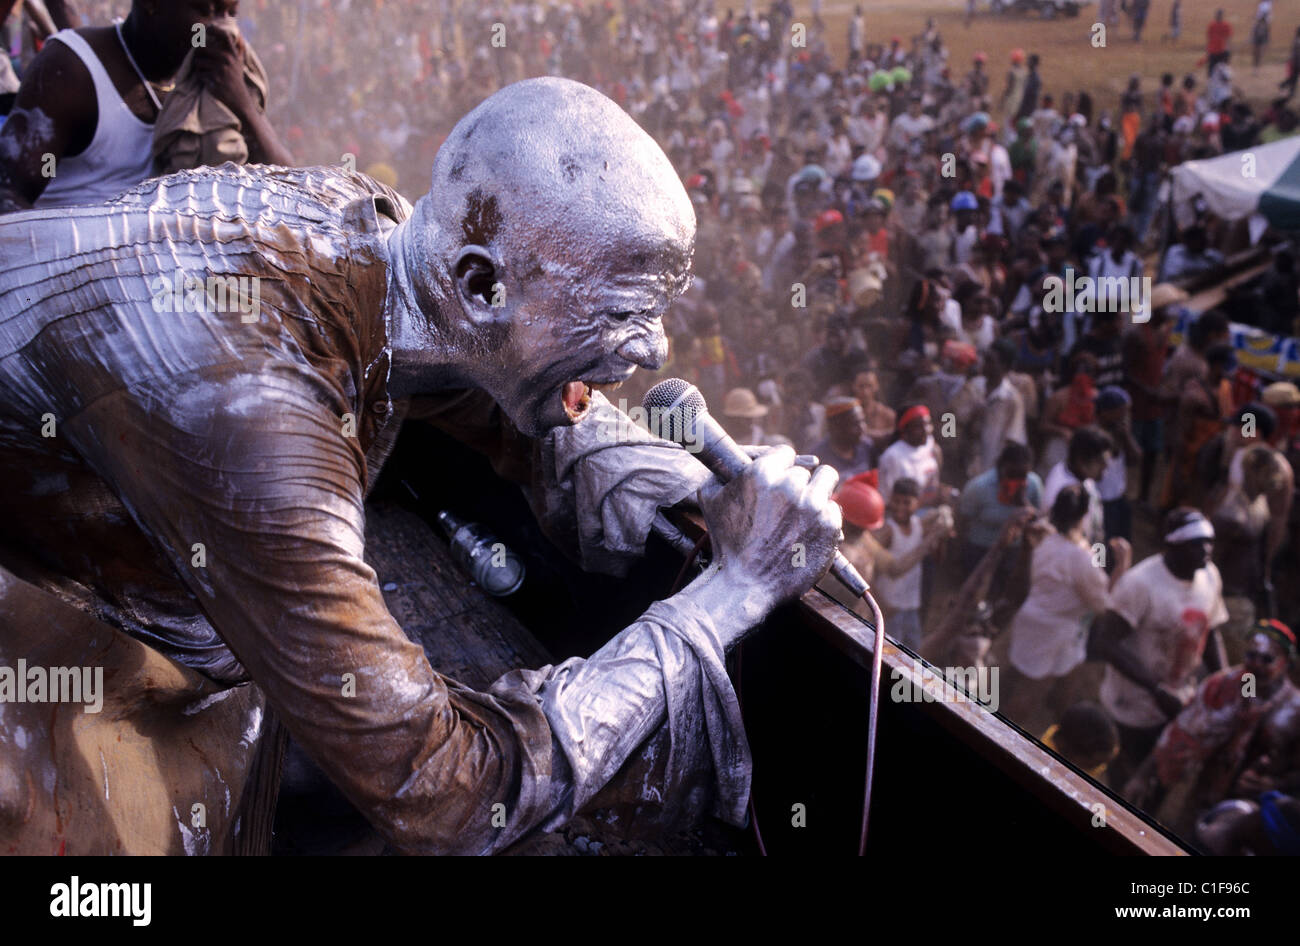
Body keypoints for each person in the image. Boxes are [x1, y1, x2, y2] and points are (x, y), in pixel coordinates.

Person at [0, 78, 848, 854]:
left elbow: (482, 398)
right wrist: (733, 590)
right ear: (481, 289)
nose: (655, 348)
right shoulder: (254, 410)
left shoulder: (381, 240)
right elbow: (448, 793)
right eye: (622, 313)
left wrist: (693, 490)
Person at [0, 0, 292, 212]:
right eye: (205, 10)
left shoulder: (214, 82)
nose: (222, 28)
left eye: (231, 13)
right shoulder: (71, 70)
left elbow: (292, 195)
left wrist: (244, 106)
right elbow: (7, 195)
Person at [1090, 509, 1231, 789]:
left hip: (1180, 703)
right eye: (1196, 543)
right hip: (1132, 707)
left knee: (1160, 774)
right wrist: (1156, 689)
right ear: (1173, 546)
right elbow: (1105, 642)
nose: (1206, 550)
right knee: (1124, 776)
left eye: (1208, 541)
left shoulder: (1210, 576)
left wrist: (1223, 679)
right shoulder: (1140, 584)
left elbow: (1211, 630)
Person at [1128, 619, 1300, 837]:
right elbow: (1181, 730)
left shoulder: (1295, 712)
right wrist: (1144, 775)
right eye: (1251, 656)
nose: (1255, 665)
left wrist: (1273, 785)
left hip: (1251, 821)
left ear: (1287, 662)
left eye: (1267, 659)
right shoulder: (1225, 686)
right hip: (1200, 800)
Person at [1001, 485, 1131, 736]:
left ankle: (1063, 729)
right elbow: (1104, 605)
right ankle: (1001, 736)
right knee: (1030, 693)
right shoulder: (1080, 560)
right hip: (1054, 632)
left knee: (1065, 678)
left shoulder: (1046, 537)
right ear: (1083, 516)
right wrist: (1121, 567)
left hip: (1040, 621)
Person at [958, 441, 1043, 575]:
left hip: (1012, 550)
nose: (1018, 479)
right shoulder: (979, 487)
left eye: (1023, 475)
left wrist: (1024, 503)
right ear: (1002, 467)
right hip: (980, 550)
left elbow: (1038, 521)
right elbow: (963, 521)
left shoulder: (1033, 484)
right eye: (1013, 474)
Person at [871, 477, 931, 651]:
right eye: (896, 501)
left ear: (918, 503)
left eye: (907, 502)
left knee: (913, 649)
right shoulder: (888, 530)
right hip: (891, 605)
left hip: (911, 602)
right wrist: (881, 603)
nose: (900, 507)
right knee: (890, 650)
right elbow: (871, 570)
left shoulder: (918, 526)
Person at [1043, 425, 1113, 546]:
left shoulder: (1085, 479)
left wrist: (1098, 562)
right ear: (1081, 460)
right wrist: (1094, 563)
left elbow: (1096, 532)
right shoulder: (1062, 493)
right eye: (1101, 462)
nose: (1105, 468)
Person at [878, 404, 952, 507]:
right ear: (905, 430)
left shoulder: (932, 448)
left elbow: (933, 485)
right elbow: (887, 500)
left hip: (928, 508)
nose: (926, 430)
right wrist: (927, 502)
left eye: (928, 424)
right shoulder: (892, 457)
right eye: (919, 426)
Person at [809, 396, 874, 477]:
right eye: (854, 424)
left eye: (862, 421)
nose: (862, 428)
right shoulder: (817, 458)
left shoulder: (867, 447)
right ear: (836, 428)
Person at [1207, 9, 1233, 77]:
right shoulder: (1212, 25)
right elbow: (1209, 38)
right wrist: (1208, 49)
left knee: (1223, 70)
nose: (1218, 16)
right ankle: (1211, 83)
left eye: (1219, 15)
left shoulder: (1226, 25)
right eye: (1217, 15)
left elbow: (1228, 38)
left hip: (1222, 50)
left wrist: (1228, 48)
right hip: (1213, 50)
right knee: (1211, 69)